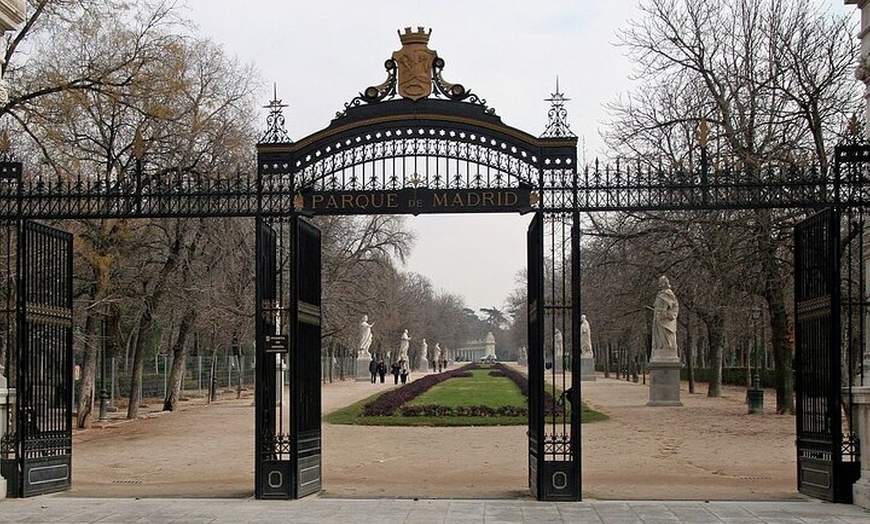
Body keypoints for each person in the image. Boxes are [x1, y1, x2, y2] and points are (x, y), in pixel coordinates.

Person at [652, 275, 679, 360]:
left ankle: (668, 348)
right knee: (659, 335)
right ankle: (661, 347)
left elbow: (674, 306)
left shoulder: (668, 293)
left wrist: (667, 314)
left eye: (661, 282)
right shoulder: (660, 294)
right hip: (658, 317)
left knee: (667, 335)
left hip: (665, 319)